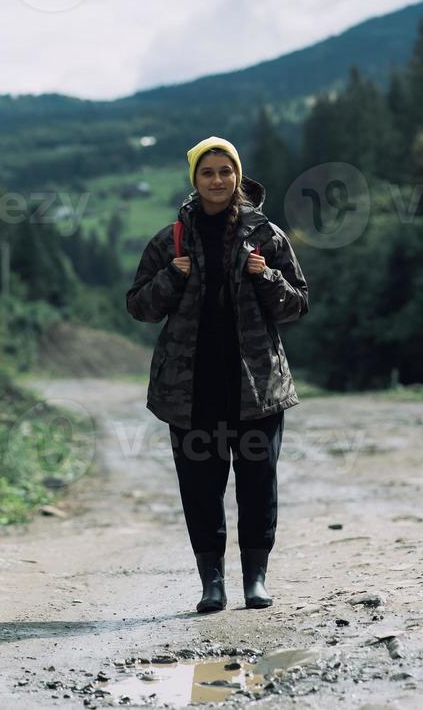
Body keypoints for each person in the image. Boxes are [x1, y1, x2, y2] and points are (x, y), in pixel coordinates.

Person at [125, 136, 309, 613]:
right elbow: (139, 306)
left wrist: (265, 275)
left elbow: (297, 304)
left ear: (237, 176)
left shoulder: (266, 235)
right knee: (200, 486)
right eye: (208, 172)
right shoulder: (170, 241)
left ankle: (255, 580)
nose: (218, 180)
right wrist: (172, 276)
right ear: (195, 179)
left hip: (257, 385)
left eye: (226, 171)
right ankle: (212, 584)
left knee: (257, 481)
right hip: (190, 388)